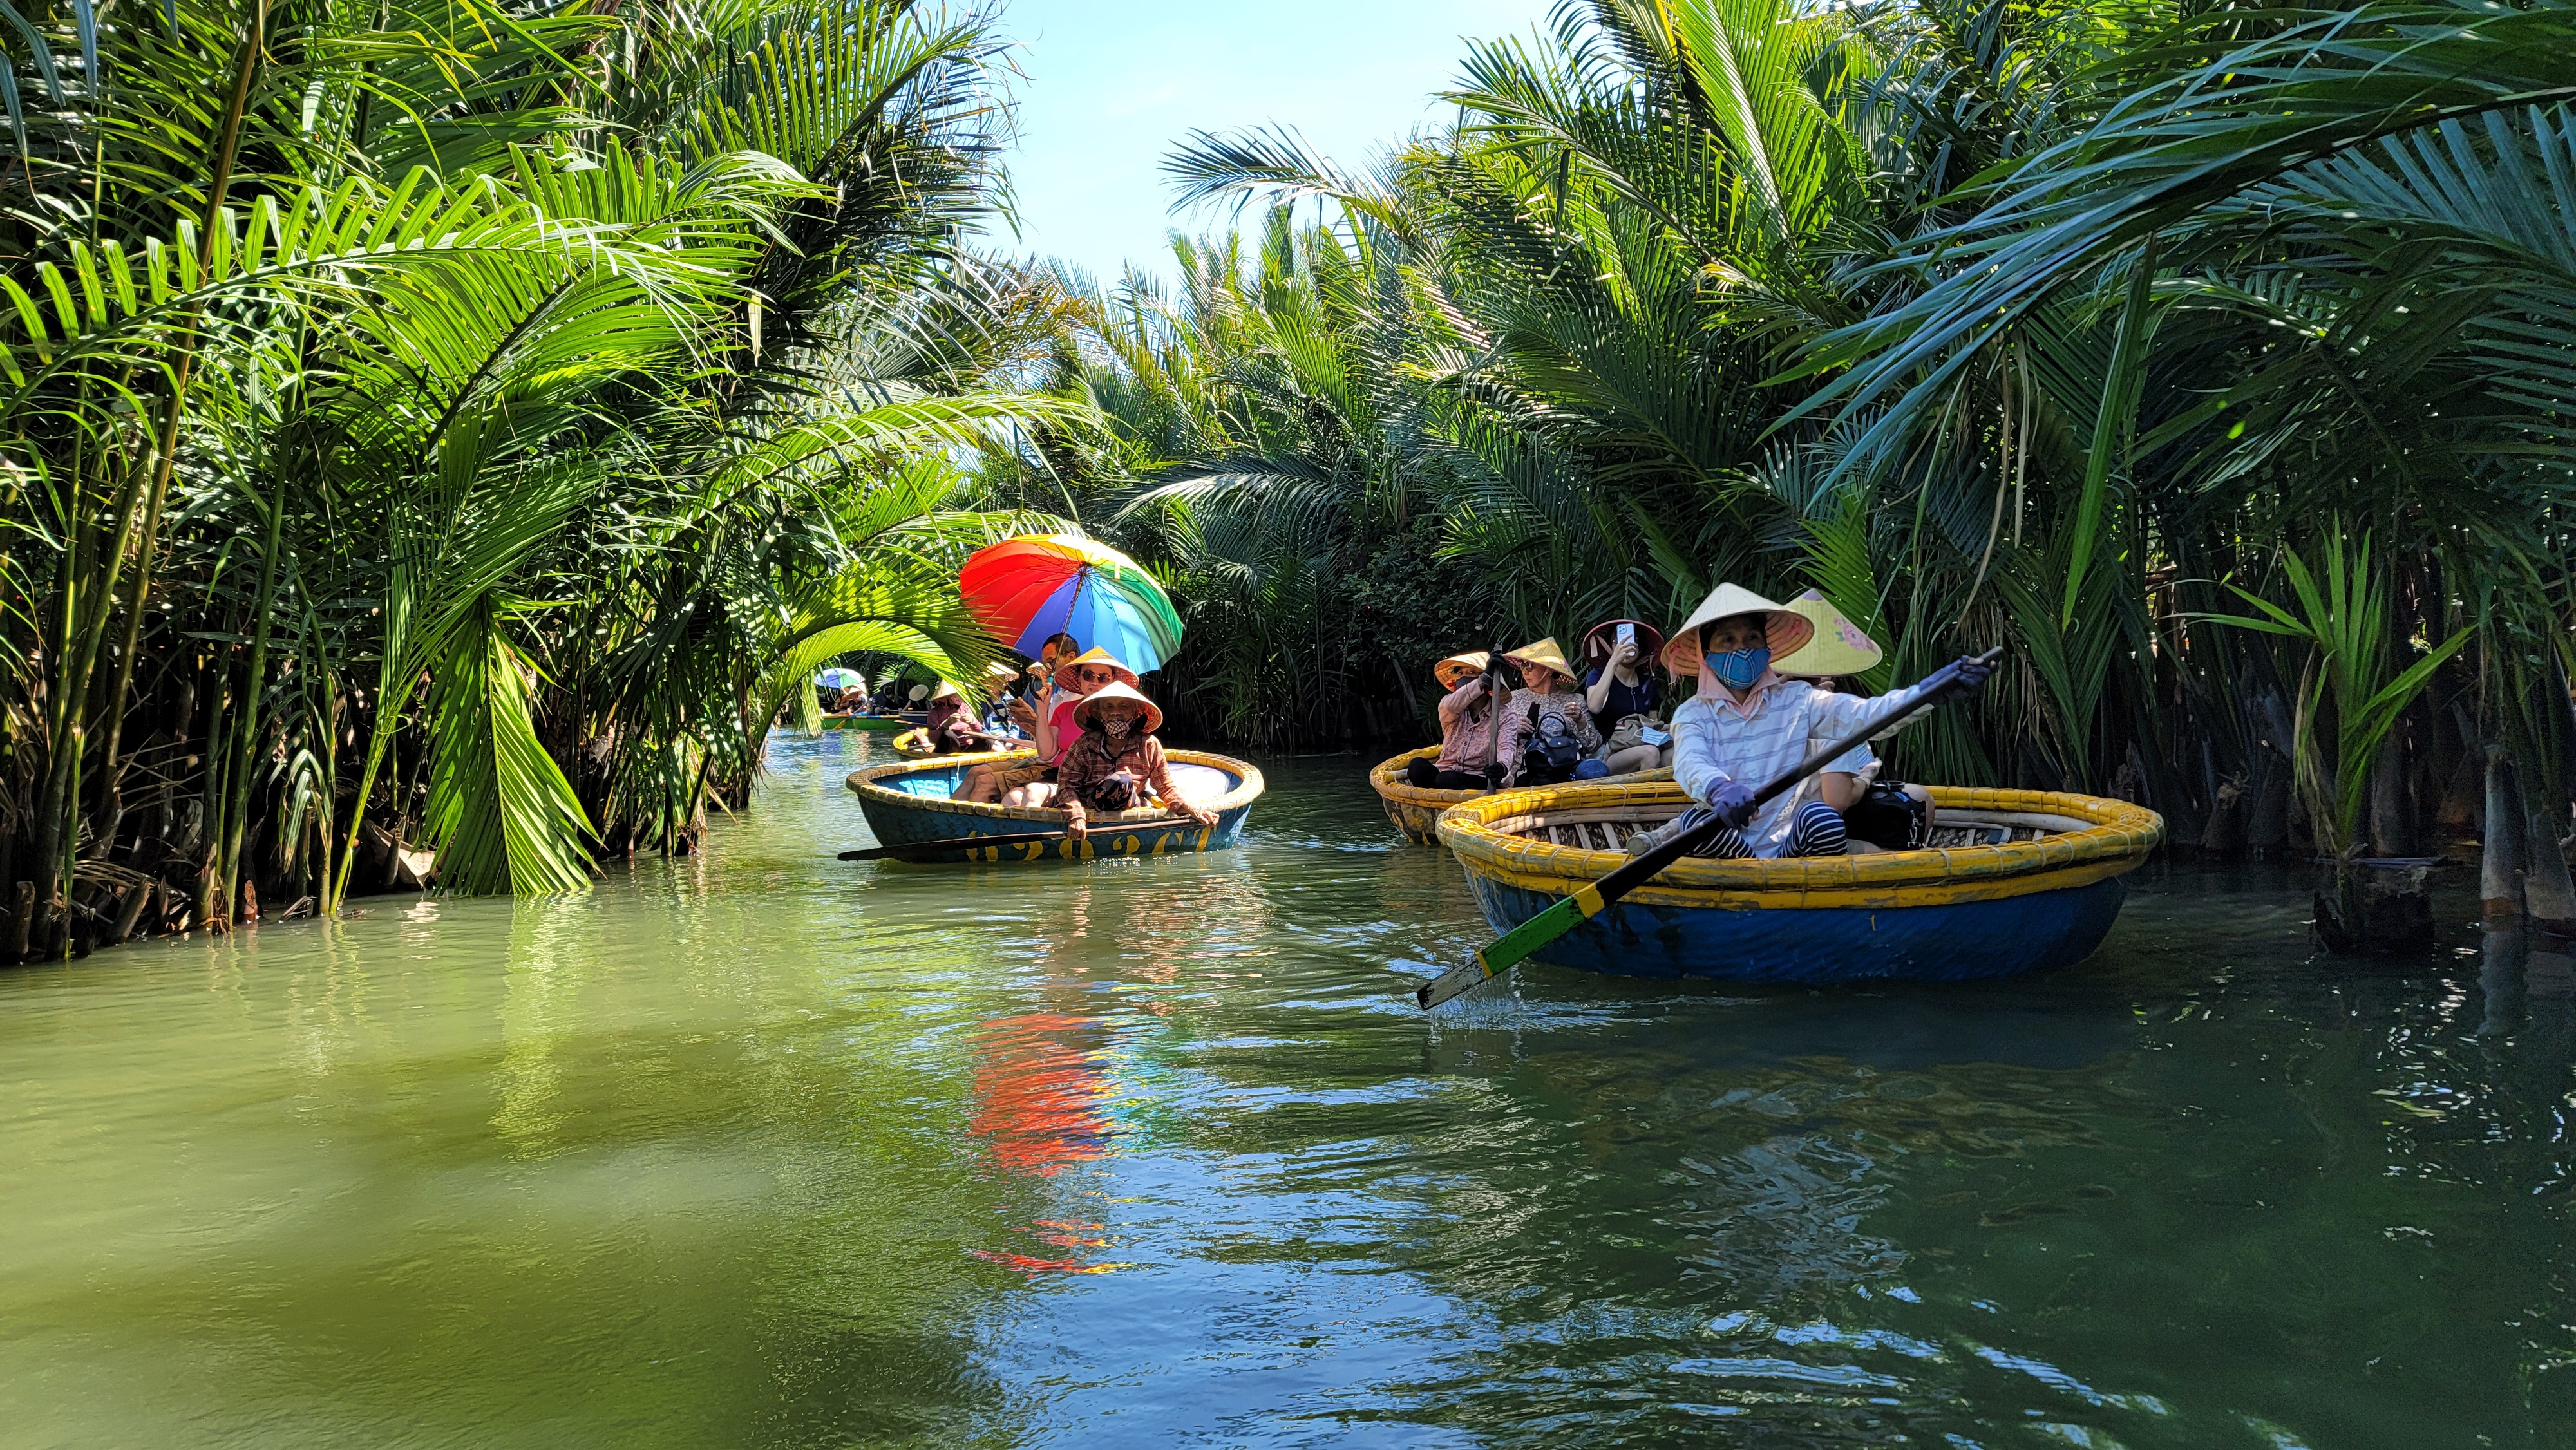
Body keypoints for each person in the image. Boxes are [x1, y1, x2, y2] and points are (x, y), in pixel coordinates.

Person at [1629, 583, 1991, 859]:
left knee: (1822, 818)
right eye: (1727, 640)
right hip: (1731, 850)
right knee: (1696, 822)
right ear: (1708, 655)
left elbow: (1866, 716)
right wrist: (1719, 788)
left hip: (1793, 851)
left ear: (1767, 649)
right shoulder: (1692, 714)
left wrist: (1927, 693)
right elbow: (1691, 762)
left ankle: (1809, 898)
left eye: (1752, 637)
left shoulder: (1798, 700)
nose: (1742, 648)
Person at [1768, 588, 1936, 851]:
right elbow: (1836, 801)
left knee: (1915, 795)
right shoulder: (1825, 713)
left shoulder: (1753, 707)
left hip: (1758, 831)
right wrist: (1865, 778)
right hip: (1800, 837)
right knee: (1897, 838)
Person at [957, 649, 1137, 805]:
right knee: (1012, 798)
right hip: (1056, 773)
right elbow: (1047, 754)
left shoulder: (1121, 715)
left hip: (1091, 781)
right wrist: (1042, 709)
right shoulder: (1065, 709)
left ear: (1112, 681)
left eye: (1103, 677)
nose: (1095, 682)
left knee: (1028, 792)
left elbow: (1133, 754)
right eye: (1088, 676)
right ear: (1080, 679)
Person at [1056, 682, 1222, 839]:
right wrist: (1076, 816)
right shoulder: (1084, 744)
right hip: (1089, 808)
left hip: (1131, 810)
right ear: (1099, 714)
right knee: (1121, 780)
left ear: (1136, 712)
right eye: (1109, 707)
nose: (1115, 713)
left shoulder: (1149, 745)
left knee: (1122, 781)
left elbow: (1165, 788)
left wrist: (1192, 809)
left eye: (1124, 706)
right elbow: (1067, 784)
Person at [1496, 637, 1603, 786]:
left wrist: (1580, 721)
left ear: (1548, 669)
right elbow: (1490, 740)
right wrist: (1512, 730)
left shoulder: (1574, 700)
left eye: (1530, 665)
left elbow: (1593, 746)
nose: (1525, 671)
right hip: (1521, 773)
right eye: (1522, 665)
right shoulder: (1512, 699)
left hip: (1561, 771)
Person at [1407, 652, 1510, 789]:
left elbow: (1506, 747)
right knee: (1417, 767)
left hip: (1479, 777)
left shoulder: (1505, 715)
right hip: (1444, 772)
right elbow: (1451, 705)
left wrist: (1502, 766)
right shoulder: (1449, 705)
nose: (1464, 677)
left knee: (1446, 779)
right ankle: (1435, 802)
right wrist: (1482, 680)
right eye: (1460, 673)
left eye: (1472, 673)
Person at [1581, 619, 1670, 775]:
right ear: (1610, 646)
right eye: (1618, 640)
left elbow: (1652, 723)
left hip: (1639, 742)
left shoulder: (1647, 684)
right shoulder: (1598, 675)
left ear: (1640, 648)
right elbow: (1595, 707)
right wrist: (1613, 662)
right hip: (1607, 752)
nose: (1626, 644)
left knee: (1675, 753)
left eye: (1632, 640)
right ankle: (1642, 800)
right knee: (1650, 753)